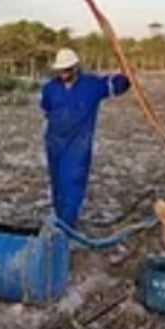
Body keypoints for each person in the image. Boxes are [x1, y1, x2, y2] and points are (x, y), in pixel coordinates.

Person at [40, 48, 131, 227]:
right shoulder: (50, 88)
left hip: (78, 145)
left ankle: (67, 227)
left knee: (73, 183)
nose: (63, 74)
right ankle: (59, 220)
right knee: (58, 184)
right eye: (60, 70)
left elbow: (117, 84)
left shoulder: (92, 85)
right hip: (55, 143)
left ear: (76, 67)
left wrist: (126, 76)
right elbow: (46, 107)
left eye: (67, 70)